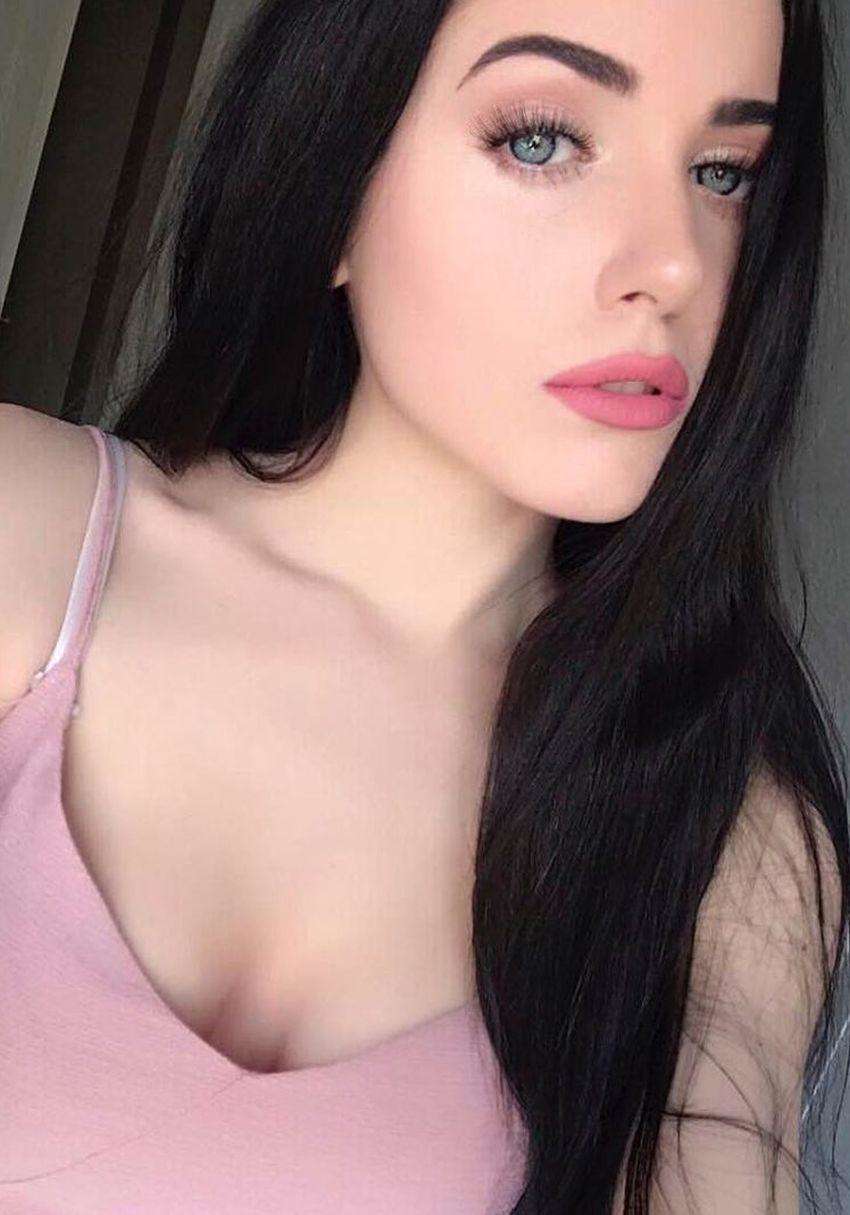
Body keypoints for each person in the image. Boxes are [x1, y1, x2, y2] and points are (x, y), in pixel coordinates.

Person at [0, 0, 847, 1211]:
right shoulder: (25, 533)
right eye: (542, 140)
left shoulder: (726, 835)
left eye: (721, 172)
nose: (673, 263)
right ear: (334, 183)